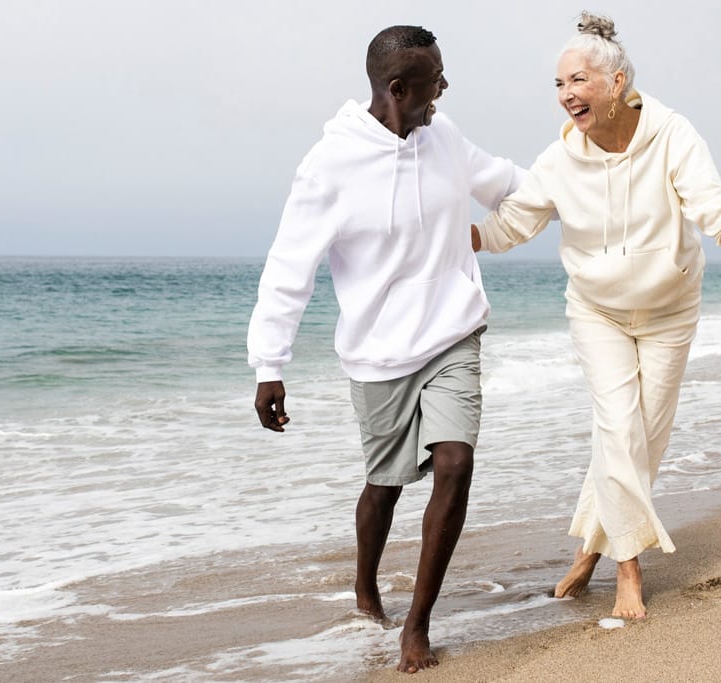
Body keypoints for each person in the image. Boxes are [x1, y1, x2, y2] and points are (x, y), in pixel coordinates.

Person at [471, 12, 721, 620]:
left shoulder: (672, 134)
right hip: (598, 312)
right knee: (618, 430)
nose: (567, 95)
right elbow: (512, 224)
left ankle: (589, 552)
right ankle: (629, 575)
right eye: (559, 84)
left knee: (641, 443)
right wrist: (453, 238)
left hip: (670, 312)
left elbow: (718, 210)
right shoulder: (558, 160)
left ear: (616, 83)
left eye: (579, 80)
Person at [247, 25, 522, 673]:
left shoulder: (443, 136)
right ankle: (367, 583)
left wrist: (587, 186)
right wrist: (269, 365)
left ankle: (417, 626)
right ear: (397, 90)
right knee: (386, 484)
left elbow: (507, 181)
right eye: (434, 81)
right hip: (378, 352)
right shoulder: (330, 165)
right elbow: (290, 266)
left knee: (455, 461)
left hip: (453, 331)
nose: (445, 90)